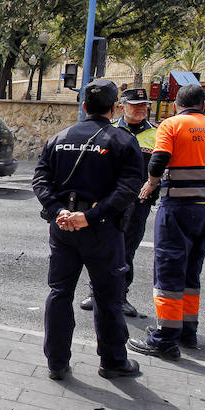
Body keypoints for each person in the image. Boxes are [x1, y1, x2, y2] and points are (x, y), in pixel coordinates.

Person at [32, 79, 143, 380]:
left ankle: (56, 363)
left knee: (59, 293)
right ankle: (113, 361)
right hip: (102, 231)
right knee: (108, 298)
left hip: (64, 227)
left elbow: (40, 180)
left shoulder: (60, 137)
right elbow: (129, 187)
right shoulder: (122, 141)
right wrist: (91, 216)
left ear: (83, 106)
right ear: (114, 108)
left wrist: (60, 211)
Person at [127, 84, 205, 359]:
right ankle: (187, 331)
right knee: (191, 270)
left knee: (169, 267)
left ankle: (164, 338)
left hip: (177, 207)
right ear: (203, 105)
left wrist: (151, 184)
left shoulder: (172, 125)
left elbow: (158, 161)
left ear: (175, 104)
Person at [81, 88, 157, 317]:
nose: (141, 109)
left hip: (138, 205)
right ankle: (96, 293)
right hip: (110, 203)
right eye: (136, 105)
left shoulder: (156, 134)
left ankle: (121, 295)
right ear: (122, 107)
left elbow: (162, 170)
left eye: (144, 105)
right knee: (101, 248)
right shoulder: (108, 131)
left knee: (127, 251)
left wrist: (153, 189)